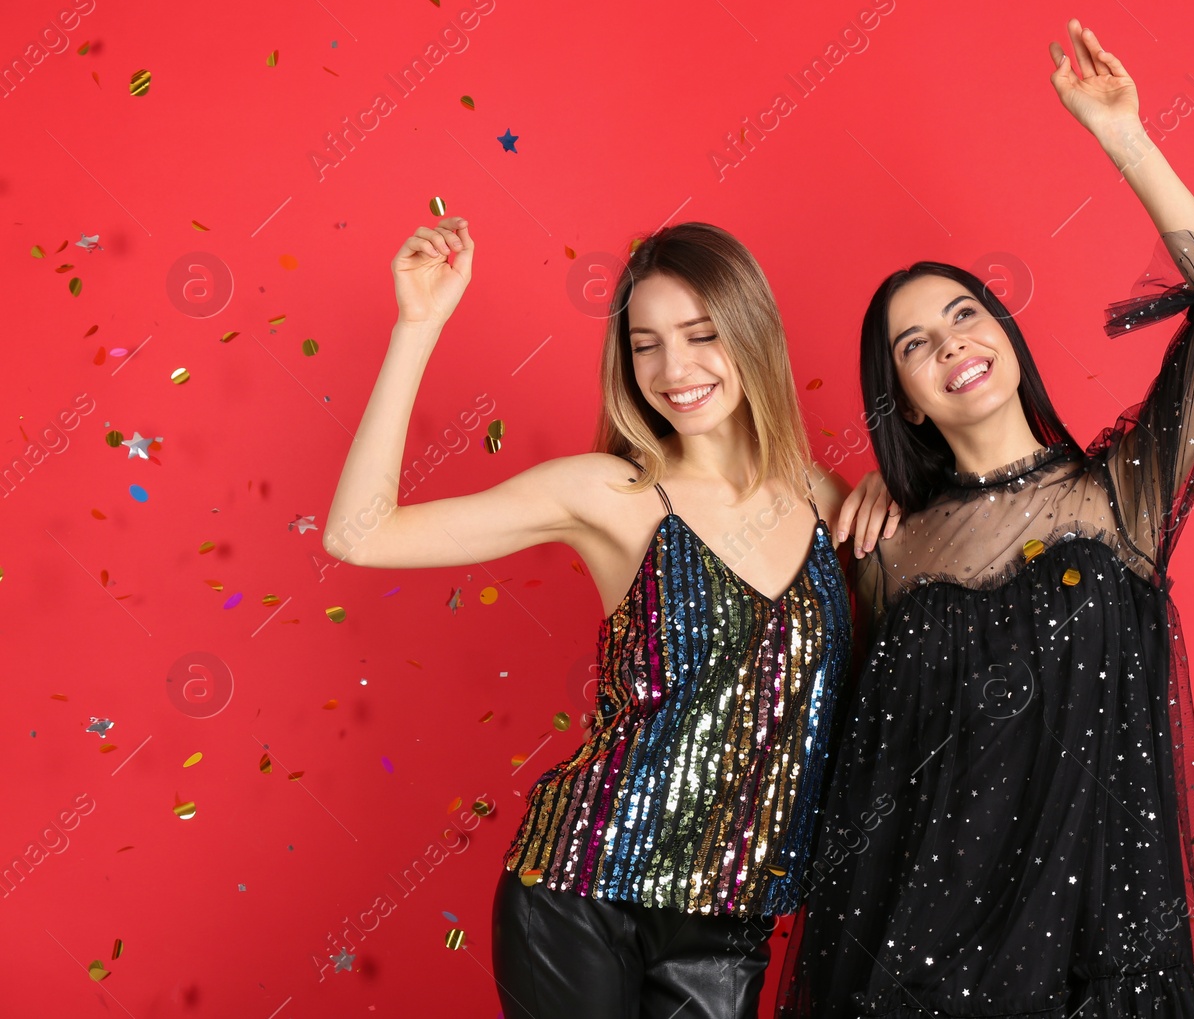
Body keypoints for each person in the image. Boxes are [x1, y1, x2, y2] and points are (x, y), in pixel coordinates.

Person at [775, 18, 1194, 1018]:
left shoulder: (1119, 497)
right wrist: (865, 495)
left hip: (1090, 968)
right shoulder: (887, 549)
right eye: (913, 345)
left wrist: (1123, 136)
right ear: (906, 400)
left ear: (1006, 334)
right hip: (915, 970)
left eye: (965, 313)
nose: (949, 344)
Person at [323, 216, 894, 1018]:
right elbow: (357, 534)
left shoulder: (833, 502)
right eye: (646, 343)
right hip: (576, 891)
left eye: (701, 334)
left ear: (753, 335)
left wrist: (893, 492)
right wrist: (417, 328)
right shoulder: (611, 492)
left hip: (732, 917)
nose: (674, 367)